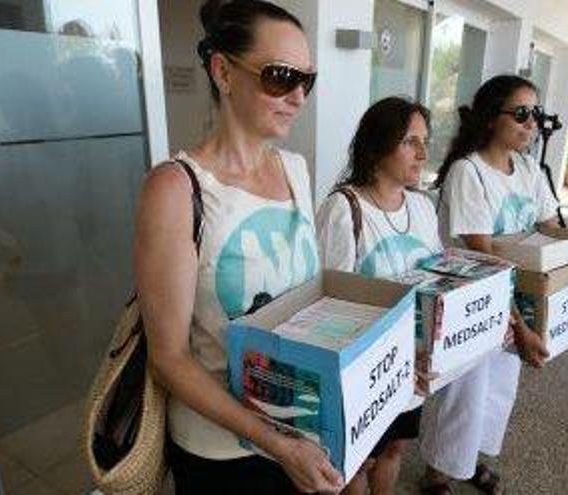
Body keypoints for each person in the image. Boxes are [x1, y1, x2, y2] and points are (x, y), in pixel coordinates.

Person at [133, 1, 343, 493]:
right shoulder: (176, 189)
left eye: (306, 80)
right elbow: (169, 358)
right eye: (280, 76)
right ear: (223, 72)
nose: (297, 96)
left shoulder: (296, 169)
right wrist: (275, 442)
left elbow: (307, 304)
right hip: (223, 451)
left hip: (299, 423)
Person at [419, 75, 555, 494]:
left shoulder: (530, 168)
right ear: (491, 119)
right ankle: (438, 473)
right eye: (521, 113)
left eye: (536, 114)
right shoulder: (468, 172)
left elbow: (551, 233)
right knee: (463, 390)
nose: (531, 123)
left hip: (515, 299)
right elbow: (485, 264)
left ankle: (469, 461)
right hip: (472, 300)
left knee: (497, 387)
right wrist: (522, 327)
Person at [316, 96, 440, 494]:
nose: (423, 153)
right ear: (377, 145)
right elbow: (330, 305)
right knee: (357, 462)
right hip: (367, 370)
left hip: (415, 367)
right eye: (410, 142)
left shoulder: (422, 207)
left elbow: (440, 279)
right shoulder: (344, 208)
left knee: (393, 450)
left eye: (425, 140)